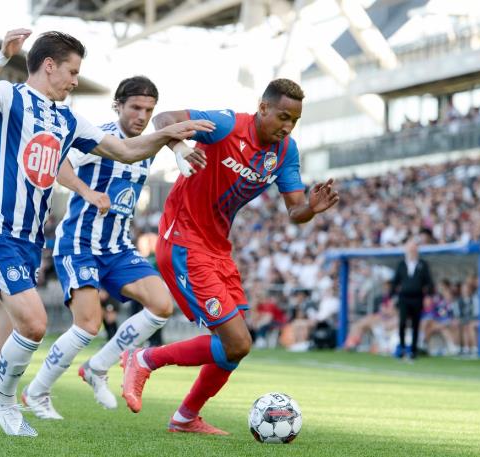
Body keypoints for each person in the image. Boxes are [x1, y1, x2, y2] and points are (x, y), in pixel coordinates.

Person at [0, 29, 213, 437]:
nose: (75, 81)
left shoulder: (68, 119)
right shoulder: (9, 96)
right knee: (35, 324)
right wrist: (1, 58)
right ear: (50, 66)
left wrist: (168, 135)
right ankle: (4, 402)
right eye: (72, 72)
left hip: (29, 241)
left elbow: (127, 150)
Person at [118, 78, 340, 435]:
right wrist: (179, 148)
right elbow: (164, 120)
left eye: (295, 120)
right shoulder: (226, 125)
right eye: (283, 116)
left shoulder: (285, 151)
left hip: (218, 249)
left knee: (235, 348)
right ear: (263, 108)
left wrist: (311, 208)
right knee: (237, 341)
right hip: (183, 239)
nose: (288, 126)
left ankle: (185, 418)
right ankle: (144, 359)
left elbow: (295, 211)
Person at [21, 76, 188, 418]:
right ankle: (35, 392)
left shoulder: (146, 145)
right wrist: (87, 192)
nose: (142, 116)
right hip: (80, 243)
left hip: (118, 247)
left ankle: (97, 367)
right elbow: (59, 163)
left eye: (148, 110)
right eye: (135, 108)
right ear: (118, 105)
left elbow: (167, 133)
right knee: (87, 325)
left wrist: (180, 147)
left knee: (161, 305)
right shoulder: (99, 137)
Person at [390, 239, 434, 360]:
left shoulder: (423, 264)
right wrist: (392, 297)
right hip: (404, 298)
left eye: (414, 249)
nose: (412, 251)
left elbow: (429, 282)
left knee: (416, 324)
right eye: (410, 249)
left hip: (417, 298)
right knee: (402, 323)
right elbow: (395, 282)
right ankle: (402, 347)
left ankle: (413, 350)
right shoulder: (401, 264)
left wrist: (428, 296)